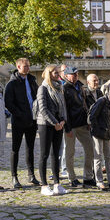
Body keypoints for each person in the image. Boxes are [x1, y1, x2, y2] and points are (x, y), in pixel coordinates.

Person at [4, 58, 40, 189]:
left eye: (28, 66)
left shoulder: (32, 80)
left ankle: (31, 174)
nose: (27, 68)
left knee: (30, 148)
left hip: (32, 120)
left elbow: (36, 97)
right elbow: (8, 103)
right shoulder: (12, 83)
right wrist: (20, 114)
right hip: (19, 121)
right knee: (15, 149)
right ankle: (14, 176)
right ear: (18, 67)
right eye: (25, 66)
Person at [36, 65, 69, 196]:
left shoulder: (59, 87)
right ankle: (44, 185)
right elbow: (43, 108)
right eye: (55, 73)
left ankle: (57, 184)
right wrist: (55, 122)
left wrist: (63, 121)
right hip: (45, 124)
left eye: (58, 73)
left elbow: (63, 106)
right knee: (44, 154)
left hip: (58, 124)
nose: (57, 75)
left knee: (56, 154)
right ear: (49, 74)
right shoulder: (42, 88)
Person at [62, 66, 96, 187]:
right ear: (66, 75)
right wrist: (67, 128)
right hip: (71, 125)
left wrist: (88, 121)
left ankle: (88, 176)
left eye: (76, 73)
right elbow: (64, 110)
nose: (75, 76)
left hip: (82, 123)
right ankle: (72, 178)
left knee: (90, 149)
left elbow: (85, 104)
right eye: (73, 74)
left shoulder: (80, 86)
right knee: (70, 152)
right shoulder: (64, 88)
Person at [88, 84, 110, 190]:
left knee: (109, 157)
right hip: (98, 133)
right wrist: (97, 130)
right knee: (98, 157)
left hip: (108, 133)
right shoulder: (101, 101)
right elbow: (92, 117)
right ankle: (99, 181)